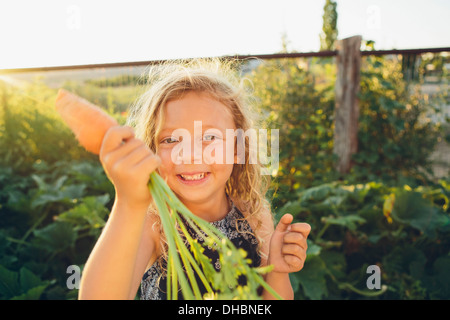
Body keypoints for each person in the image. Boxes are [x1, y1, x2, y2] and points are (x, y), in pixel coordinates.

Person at [78, 59, 311, 300]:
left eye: (209, 136)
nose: (189, 154)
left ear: (237, 147)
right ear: (152, 151)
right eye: (170, 140)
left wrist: (279, 271)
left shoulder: (254, 214)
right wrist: (128, 203)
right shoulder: (153, 225)